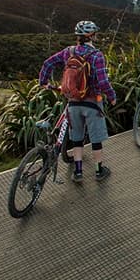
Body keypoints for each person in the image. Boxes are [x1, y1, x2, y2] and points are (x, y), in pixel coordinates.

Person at [39, 20, 117, 182]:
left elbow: (48, 63)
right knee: (95, 139)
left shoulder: (69, 52)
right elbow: (103, 83)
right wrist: (112, 97)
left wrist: (43, 82)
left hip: (73, 102)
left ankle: (78, 172)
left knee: (77, 137)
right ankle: (98, 171)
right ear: (92, 35)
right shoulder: (97, 56)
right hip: (92, 103)